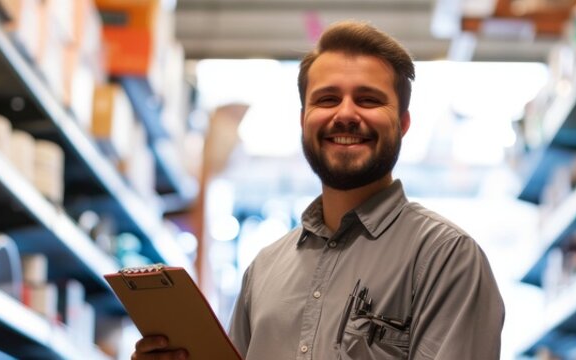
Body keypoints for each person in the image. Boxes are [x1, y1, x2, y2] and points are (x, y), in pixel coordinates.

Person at [133, 20, 504, 360]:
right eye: (327, 99)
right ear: (303, 120)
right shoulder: (263, 271)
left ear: (403, 123)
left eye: (368, 99)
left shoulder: (447, 258)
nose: (345, 114)